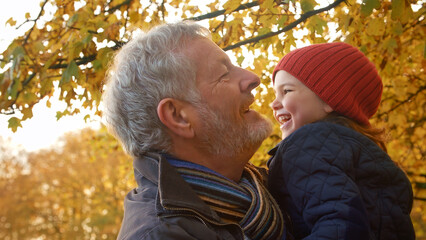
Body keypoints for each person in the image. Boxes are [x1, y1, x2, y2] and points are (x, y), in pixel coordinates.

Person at [102, 21, 285, 240]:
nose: (253, 78)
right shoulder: (160, 235)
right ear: (178, 117)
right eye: (224, 73)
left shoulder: (268, 188)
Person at [267, 42, 415, 240]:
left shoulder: (310, 143)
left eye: (286, 91)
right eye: (275, 93)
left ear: (329, 100)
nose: (273, 104)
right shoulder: (357, 151)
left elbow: (339, 227)